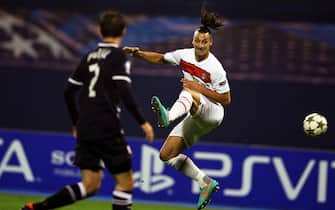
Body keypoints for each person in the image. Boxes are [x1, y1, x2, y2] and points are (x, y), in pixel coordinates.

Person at [21, 10, 154, 210]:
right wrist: (142, 121)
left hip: (86, 127)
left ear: (100, 32)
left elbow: (68, 92)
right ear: (124, 32)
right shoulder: (119, 56)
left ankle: (37, 208)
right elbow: (124, 90)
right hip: (107, 126)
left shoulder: (89, 56)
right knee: (125, 183)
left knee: (90, 185)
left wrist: (76, 123)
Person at [123, 5, 231, 210]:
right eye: (198, 41)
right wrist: (137, 53)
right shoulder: (184, 55)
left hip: (214, 113)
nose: (200, 45)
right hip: (195, 114)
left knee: (188, 91)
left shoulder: (216, 68)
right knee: (166, 155)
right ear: (193, 41)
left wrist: (198, 87)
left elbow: (226, 99)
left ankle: (168, 116)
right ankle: (205, 183)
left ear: (211, 43)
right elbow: (161, 58)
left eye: (204, 42)